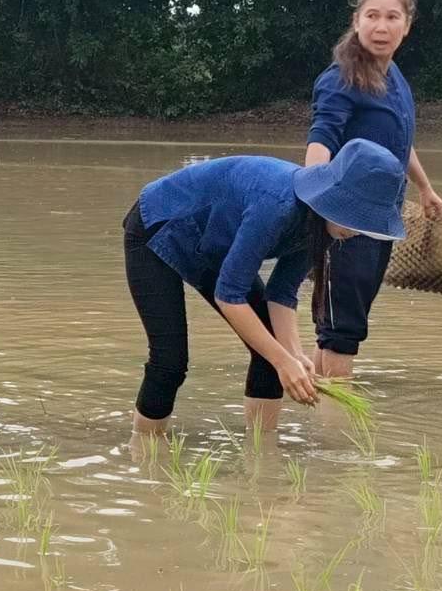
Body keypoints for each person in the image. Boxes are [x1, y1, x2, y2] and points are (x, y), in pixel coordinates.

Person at [125, 138, 406, 435]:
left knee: (272, 354)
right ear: (333, 196)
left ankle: (262, 457)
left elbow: (281, 293)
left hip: (214, 246)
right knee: (170, 362)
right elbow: (229, 295)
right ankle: (145, 455)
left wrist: (294, 355)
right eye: (355, 216)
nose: (355, 230)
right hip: (159, 225)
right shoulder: (278, 206)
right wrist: (282, 360)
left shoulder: (322, 227)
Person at [306, 0, 442, 377]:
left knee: (339, 324)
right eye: (371, 16)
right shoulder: (340, 79)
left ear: (407, 26)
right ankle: (335, 433)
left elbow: (400, 139)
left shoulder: (394, 76)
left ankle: (318, 412)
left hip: (382, 214)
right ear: (356, 21)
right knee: (342, 328)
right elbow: (320, 144)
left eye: (392, 17)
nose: (381, 26)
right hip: (345, 220)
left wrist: (424, 187)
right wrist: (325, 213)